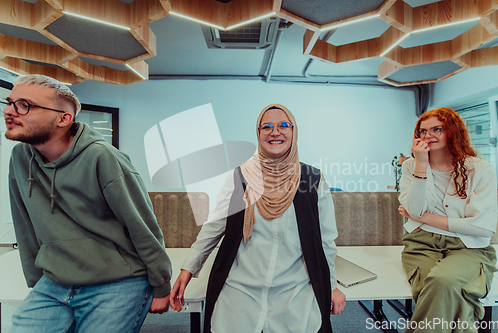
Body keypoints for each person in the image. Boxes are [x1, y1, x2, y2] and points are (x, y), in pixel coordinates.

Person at [2, 74, 172, 333]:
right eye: (10, 102)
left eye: (24, 105)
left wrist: (161, 286)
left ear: (64, 118)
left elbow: (143, 228)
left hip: (117, 280)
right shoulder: (20, 157)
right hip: (55, 280)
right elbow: (24, 224)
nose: (9, 112)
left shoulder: (102, 157)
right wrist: (36, 281)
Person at [170, 103, 346, 333]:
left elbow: (326, 240)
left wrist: (331, 286)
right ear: (258, 133)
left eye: (284, 125)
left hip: (294, 293)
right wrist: (187, 269)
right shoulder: (240, 176)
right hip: (240, 292)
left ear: (294, 132)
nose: (275, 132)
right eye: (267, 127)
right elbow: (213, 228)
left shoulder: (312, 179)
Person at [398, 107, 498, 333]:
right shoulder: (410, 166)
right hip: (421, 243)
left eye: (437, 129)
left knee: (442, 282)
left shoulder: (481, 170)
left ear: (453, 131)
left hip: (468, 247)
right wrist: (421, 164)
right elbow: (413, 208)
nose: (428, 136)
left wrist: (424, 217)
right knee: (443, 292)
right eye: (423, 131)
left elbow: (481, 228)